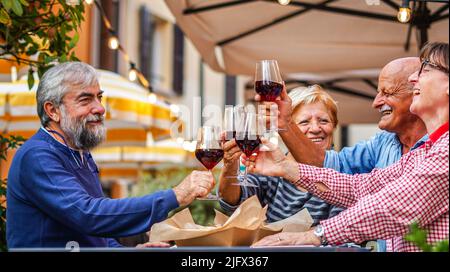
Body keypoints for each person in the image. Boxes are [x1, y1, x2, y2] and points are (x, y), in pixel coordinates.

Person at [247, 42, 449, 252]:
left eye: (425, 70)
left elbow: (392, 207)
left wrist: (315, 235)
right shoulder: (425, 151)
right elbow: (359, 187)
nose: (414, 78)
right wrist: (286, 167)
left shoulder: (445, 150)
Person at [6, 62, 215, 248]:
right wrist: (174, 196)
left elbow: (97, 237)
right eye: (85, 99)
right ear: (53, 111)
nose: (100, 108)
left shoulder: (80, 154)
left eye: (99, 97)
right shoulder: (38, 156)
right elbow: (88, 215)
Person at [219, 85, 344, 226]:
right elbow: (232, 203)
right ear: (286, 128)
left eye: (324, 121)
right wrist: (230, 164)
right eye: (304, 122)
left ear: (334, 126)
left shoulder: (344, 170)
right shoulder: (271, 167)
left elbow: (340, 231)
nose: (315, 129)